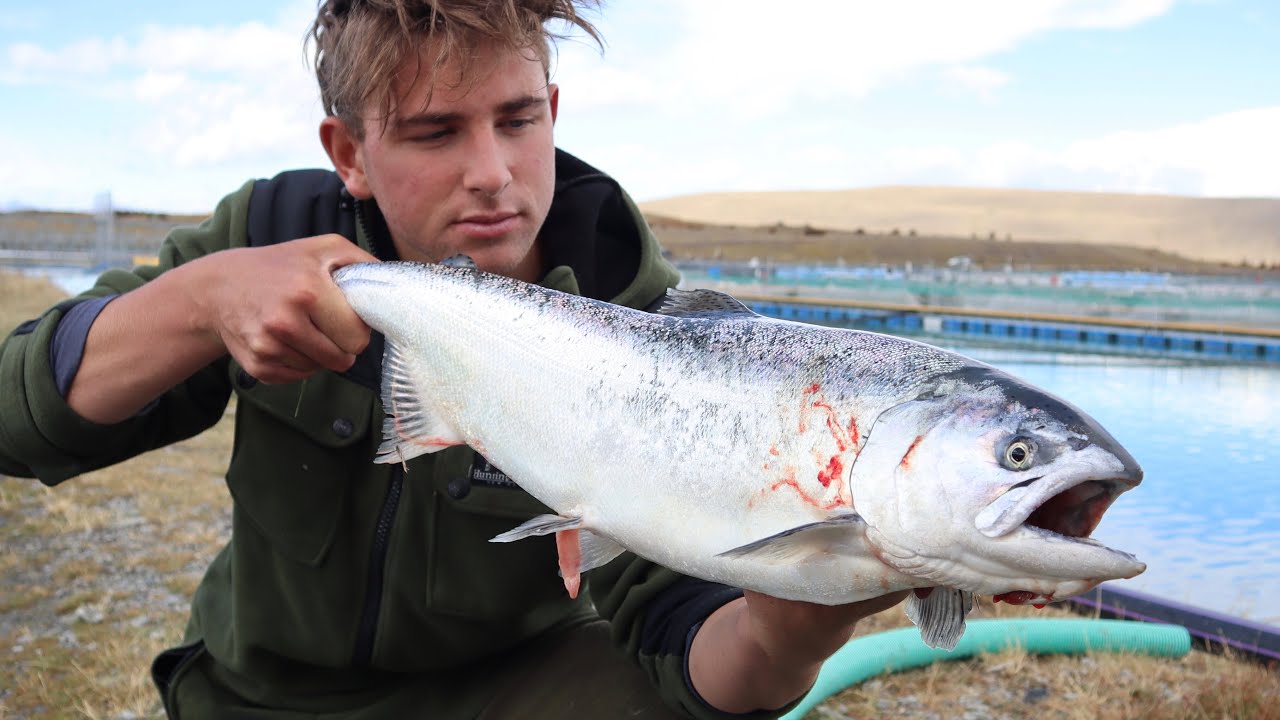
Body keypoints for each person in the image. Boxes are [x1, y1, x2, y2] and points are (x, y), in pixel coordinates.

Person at [0, 1, 907, 717]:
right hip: (259, 694)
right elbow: (17, 419)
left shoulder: (634, 312)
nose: (493, 173)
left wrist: (793, 633)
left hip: (514, 688)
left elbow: (683, 641)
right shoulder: (270, 232)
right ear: (350, 152)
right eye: (436, 133)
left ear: (552, 110)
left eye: (518, 121)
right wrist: (196, 304)